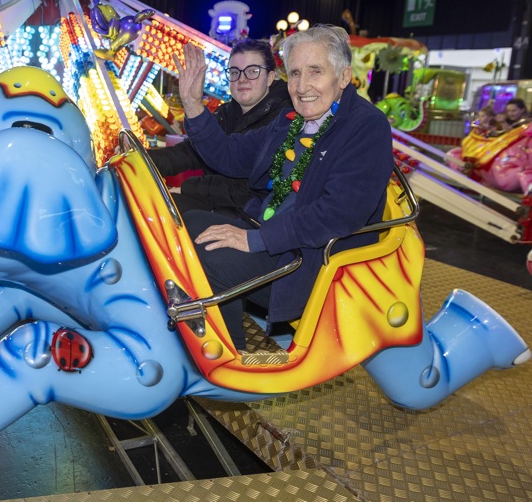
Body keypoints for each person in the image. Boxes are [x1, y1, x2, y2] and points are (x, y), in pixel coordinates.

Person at [174, 25, 394, 364]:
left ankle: (229, 361)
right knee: (188, 224)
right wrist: (192, 104)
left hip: (313, 258)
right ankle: (206, 334)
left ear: (344, 76)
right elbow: (229, 156)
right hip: (276, 235)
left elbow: (339, 214)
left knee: (211, 259)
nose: (302, 87)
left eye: (315, 72)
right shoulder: (290, 120)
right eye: (294, 74)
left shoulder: (367, 126)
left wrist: (254, 240)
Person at [149, 39, 292, 217]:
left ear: (270, 77)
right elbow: (190, 152)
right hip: (220, 204)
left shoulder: (284, 117)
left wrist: (187, 188)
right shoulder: (228, 112)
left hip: (253, 215)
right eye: (235, 72)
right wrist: (141, 158)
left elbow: (240, 175)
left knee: (167, 216)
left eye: (252, 71)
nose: (242, 79)